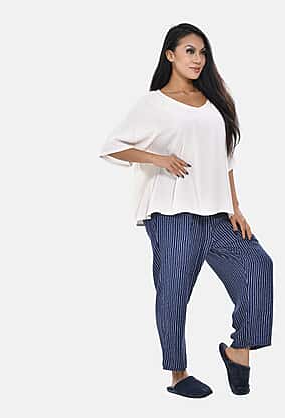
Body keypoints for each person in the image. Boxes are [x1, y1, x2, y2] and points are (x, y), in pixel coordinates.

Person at [99, 23, 273, 398]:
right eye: (190, 51)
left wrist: (236, 207)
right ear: (171, 55)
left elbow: (225, 159)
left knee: (258, 265)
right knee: (174, 293)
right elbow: (112, 146)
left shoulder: (214, 102)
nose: (198, 59)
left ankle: (239, 351)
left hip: (217, 214)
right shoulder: (153, 103)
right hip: (172, 212)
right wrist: (158, 158)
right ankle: (178, 375)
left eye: (202, 52)